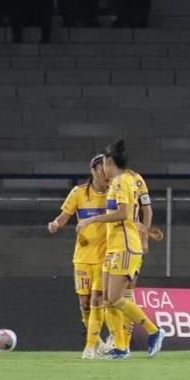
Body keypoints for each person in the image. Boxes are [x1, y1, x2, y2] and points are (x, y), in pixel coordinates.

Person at [75, 139, 164, 358]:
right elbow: (135, 215)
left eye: (104, 163)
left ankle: (154, 331)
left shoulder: (120, 182)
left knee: (115, 298)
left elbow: (124, 214)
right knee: (107, 299)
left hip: (124, 247)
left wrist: (92, 220)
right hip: (115, 246)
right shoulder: (127, 180)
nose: (102, 170)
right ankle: (121, 347)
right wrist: (145, 230)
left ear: (109, 162)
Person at [47, 154, 110, 359]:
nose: (106, 173)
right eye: (102, 169)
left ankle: (90, 347)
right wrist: (55, 225)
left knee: (97, 299)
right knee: (84, 303)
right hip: (82, 257)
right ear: (93, 171)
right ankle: (98, 342)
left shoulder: (114, 193)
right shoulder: (79, 193)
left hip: (105, 256)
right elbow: (63, 218)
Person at [103, 166, 154, 355]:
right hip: (111, 244)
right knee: (110, 297)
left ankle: (126, 341)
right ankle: (120, 343)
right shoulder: (108, 181)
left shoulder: (135, 179)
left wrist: (145, 236)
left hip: (128, 243)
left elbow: (146, 209)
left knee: (124, 293)